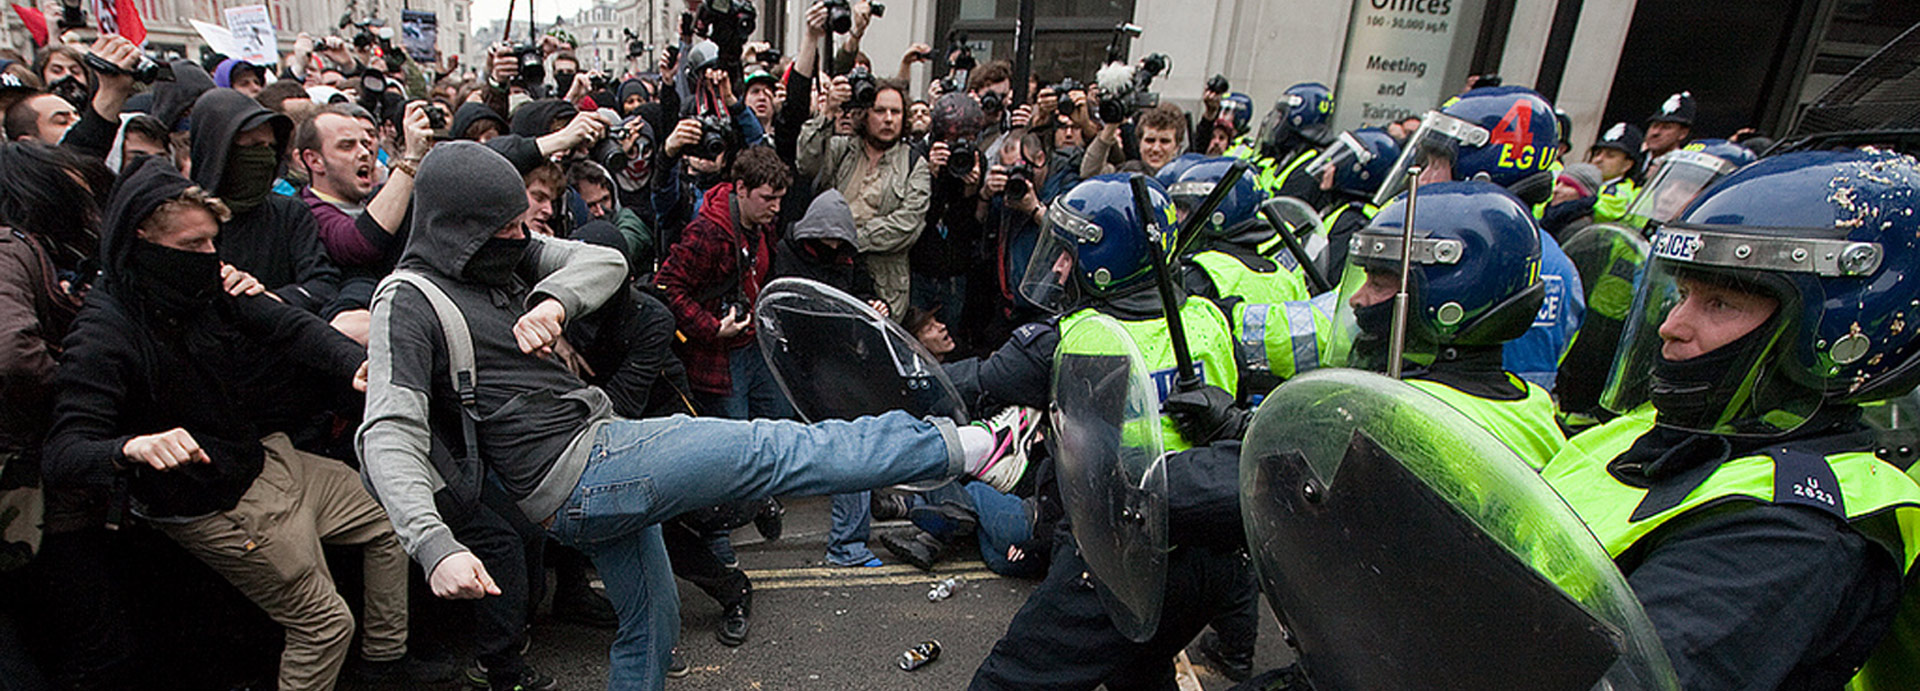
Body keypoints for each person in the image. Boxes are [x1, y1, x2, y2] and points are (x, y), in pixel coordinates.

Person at [357, 140, 1013, 690]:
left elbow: (607, 258)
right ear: (456, 226)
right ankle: (968, 447)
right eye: (503, 228)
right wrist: (433, 543)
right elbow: (388, 433)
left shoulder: (499, 253)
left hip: (600, 448)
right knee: (773, 451)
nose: (521, 237)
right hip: (581, 475)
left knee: (651, 623)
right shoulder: (408, 299)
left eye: (520, 224)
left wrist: (555, 302)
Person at [43, 156, 451, 690]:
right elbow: (65, 450)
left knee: (393, 517)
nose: (210, 257)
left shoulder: (207, 285)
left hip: (266, 460)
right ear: (141, 237)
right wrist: (131, 448)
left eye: (214, 242)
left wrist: (353, 364)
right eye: (192, 246)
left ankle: (384, 665)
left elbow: (289, 328)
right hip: (210, 502)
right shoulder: (104, 333)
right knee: (325, 625)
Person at [1542, 149, 1920, 690]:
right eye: (1681, 294)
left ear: (1830, 333)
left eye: (1718, 303)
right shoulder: (1653, 430)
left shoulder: (1792, 530)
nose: (1672, 325)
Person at [955, 174, 1248, 690]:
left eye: (1069, 254)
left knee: (1011, 681)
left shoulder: (1074, 340)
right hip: (1211, 559)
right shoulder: (1209, 317)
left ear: (1104, 262)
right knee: (1139, 669)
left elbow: (969, 383)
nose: (1059, 266)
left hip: (1118, 556)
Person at [1377, 85, 1583, 392]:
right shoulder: (1562, 267)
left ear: (1478, 174)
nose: (1425, 178)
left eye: (1436, 164)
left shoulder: (1443, 256)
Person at [796, 6, 932, 317]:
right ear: (864, 114)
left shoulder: (914, 163)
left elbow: (908, 225)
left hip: (885, 288)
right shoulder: (843, 148)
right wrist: (827, 111)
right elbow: (806, 162)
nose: (888, 119)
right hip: (835, 276)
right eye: (880, 111)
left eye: (895, 112)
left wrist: (849, 237)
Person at [188, 88, 342, 314]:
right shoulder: (182, 219)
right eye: (251, 147)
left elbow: (322, 285)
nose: (264, 158)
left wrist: (270, 300)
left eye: (269, 147)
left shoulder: (290, 214)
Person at [1225, 83, 1335, 202]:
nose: (1275, 124)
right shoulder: (1283, 157)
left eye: (1280, 117)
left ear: (1298, 120)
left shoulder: (1309, 168)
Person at [1586, 122, 1644, 225]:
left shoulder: (1627, 191)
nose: (1598, 159)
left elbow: (1604, 211)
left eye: (1610, 156)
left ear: (1627, 165)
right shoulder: (1588, 182)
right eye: (1597, 154)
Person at [1642, 90, 1695, 159]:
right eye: (1655, 126)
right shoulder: (1633, 162)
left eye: (1666, 127)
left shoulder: (1685, 167)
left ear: (1683, 133)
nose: (1656, 132)